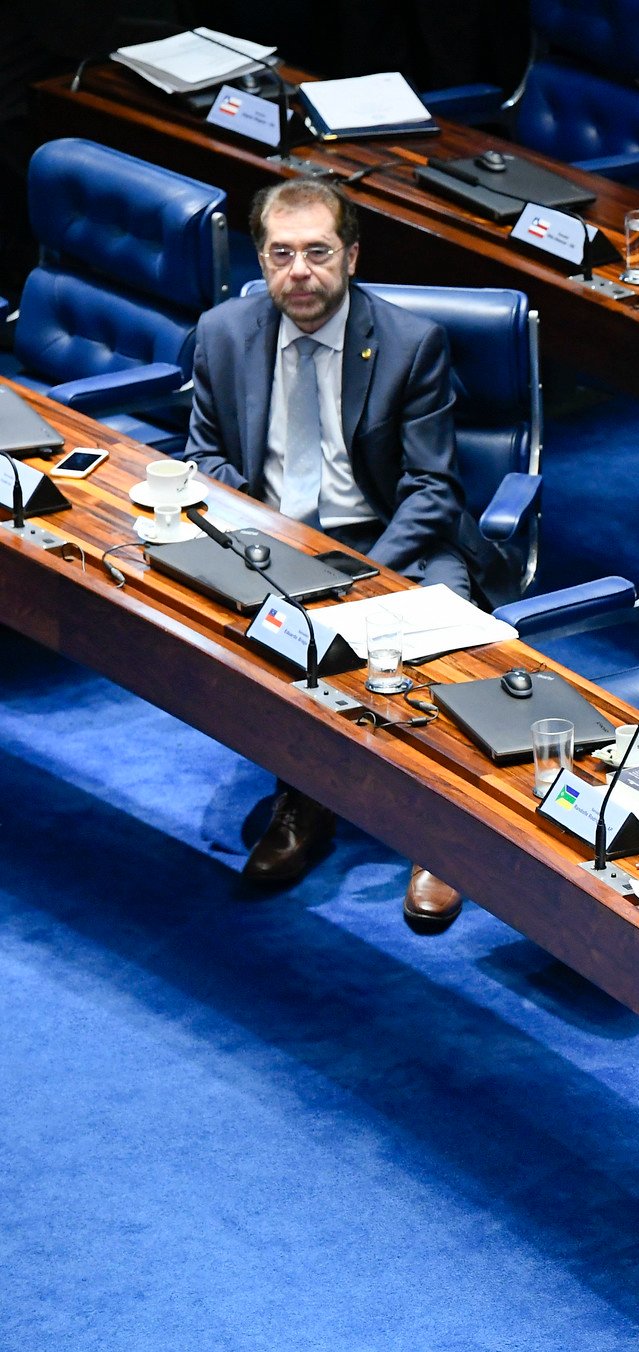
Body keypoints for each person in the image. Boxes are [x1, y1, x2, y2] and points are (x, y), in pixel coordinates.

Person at [187, 178, 488, 935]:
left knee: (449, 635)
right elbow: (206, 460)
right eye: (281, 254)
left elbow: (431, 488)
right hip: (276, 537)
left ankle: (443, 833)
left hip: (394, 541)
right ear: (260, 258)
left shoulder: (411, 342)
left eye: (318, 252)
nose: (300, 272)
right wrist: (270, 548)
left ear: (350, 255)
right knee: (253, 628)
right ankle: (308, 797)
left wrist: (363, 579)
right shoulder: (223, 333)